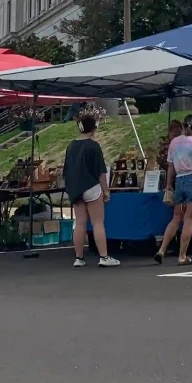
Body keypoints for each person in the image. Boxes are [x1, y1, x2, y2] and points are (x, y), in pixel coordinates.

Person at [63, 113, 119, 267]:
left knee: (80, 222)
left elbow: (66, 170)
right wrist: (106, 191)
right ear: (93, 128)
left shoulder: (71, 146)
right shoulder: (94, 146)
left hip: (75, 188)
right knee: (97, 222)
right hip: (92, 188)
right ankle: (104, 257)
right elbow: (101, 172)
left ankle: (79, 258)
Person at [155, 113, 192, 266]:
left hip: (179, 180)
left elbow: (170, 166)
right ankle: (182, 256)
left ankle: (162, 249)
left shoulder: (174, 143)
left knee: (176, 217)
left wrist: (168, 184)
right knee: (189, 220)